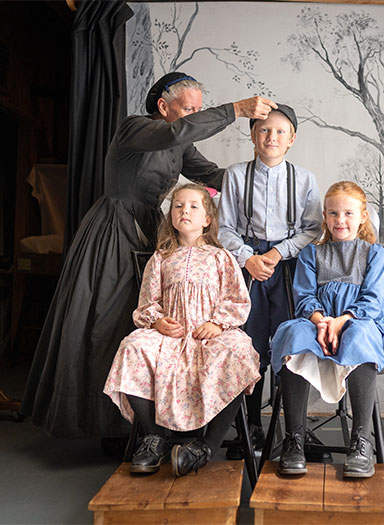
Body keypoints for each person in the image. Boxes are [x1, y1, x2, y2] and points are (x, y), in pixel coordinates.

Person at [21, 71, 276, 439]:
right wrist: (235, 110)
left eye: (198, 110)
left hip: (150, 229)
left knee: (146, 323)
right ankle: (103, 426)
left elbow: (213, 176)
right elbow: (175, 132)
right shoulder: (136, 128)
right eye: (190, 109)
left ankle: (147, 427)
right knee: (107, 321)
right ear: (163, 106)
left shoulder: (180, 146)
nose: (194, 116)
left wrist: (264, 171)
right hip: (114, 228)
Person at [103, 182, 260, 475]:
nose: (184, 211)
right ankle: (154, 437)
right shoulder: (161, 258)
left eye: (193, 206)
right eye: (178, 206)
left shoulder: (220, 257)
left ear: (207, 219)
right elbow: (147, 303)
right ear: (171, 216)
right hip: (170, 336)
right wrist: (158, 320)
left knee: (239, 352)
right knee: (133, 346)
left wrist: (217, 323)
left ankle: (205, 447)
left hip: (209, 334)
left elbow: (238, 300)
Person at [218, 104, 322, 453]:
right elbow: (224, 228)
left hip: (288, 267)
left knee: (289, 340)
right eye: (263, 130)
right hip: (247, 268)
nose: (271, 137)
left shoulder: (305, 179)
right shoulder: (234, 175)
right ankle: (250, 426)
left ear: (291, 139)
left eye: (279, 132)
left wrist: (277, 254)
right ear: (252, 136)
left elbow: (312, 229)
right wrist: (248, 258)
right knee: (250, 340)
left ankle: (292, 427)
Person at [270, 181, 384, 478]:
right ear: (325, 217)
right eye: (334, 214)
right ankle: (295, 439)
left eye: (348, 213)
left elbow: (373, 302)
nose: (341, 220)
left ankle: (360, 441)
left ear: (363, 216)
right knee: (292, 334)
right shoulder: (312, 254)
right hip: (317, 321)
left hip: (360, 320)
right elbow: (304, 296)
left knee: (359, 335)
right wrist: (321, 321)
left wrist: (341, 321)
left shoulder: (374, 254)